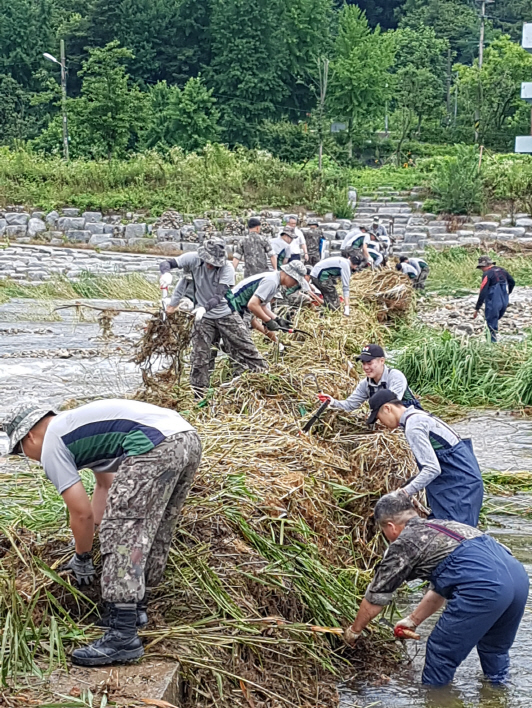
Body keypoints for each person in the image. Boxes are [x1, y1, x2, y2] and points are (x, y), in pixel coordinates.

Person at [1, 400, 202, 667]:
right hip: (184, 437)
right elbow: (103, 489)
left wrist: (82, 556)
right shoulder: (77, 428)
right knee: (155, 527)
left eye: (22, 451)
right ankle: (135, 610)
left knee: (121, 532)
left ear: (30, 436)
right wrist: (93, 533)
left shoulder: (51, 444)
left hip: (155, 444)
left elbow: (81, 514)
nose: (29, 457)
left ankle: (122, 637)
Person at [342, 492, 529, 688]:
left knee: (440, 652)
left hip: (484, 587)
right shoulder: (446, 526)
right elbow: (444, 585)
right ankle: (497, 697)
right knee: (494, 649)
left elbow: (375, 598)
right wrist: (413, 620)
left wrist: (354, 631)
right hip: (518, 578)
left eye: (383, 531)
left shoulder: (405, 543)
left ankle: (438, 707)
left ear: (390, 526)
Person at [160, 239, 267, 399]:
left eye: (214, 264)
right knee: (200, 357)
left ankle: (265, 378)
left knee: (246, 347)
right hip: (203, 318)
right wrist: (166, 273)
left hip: (225, 313)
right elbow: (167, 263)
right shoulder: (192, 259)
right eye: (209, 262)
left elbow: (220, 294)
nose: (211, 266)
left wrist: (204, 308)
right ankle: (200, 396)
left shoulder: (227, 268)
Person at [366, 389, 484, 527]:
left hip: (458, 490)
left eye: (379, 417)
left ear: (387, 408)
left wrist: (405, 493)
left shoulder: (413, 427)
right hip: (463, 482)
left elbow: (432, 469)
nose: (381, 423)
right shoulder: (419, 415)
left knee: (455, 539)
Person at [317, 343, 421, 412]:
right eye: (363, 363)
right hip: (388, 424)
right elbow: (349, 405)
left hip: (411, 418)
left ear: (382, 361)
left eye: (369, 363)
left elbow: (392, 408)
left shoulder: (395, 376)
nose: (366, 367)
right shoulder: (365, 384)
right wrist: (332, 402)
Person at [228, 261, 310, 339]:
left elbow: (262, 306)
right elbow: (252, 305)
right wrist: (268, 321)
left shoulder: (275, 281)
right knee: (244, 343)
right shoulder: (271, 281)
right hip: (234, 306)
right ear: (288, 275)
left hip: (239, 307)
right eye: (296, 281)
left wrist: (277, 319)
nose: (295, 285)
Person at [473, 255, 515, 343]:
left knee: (490, 322)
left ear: (484, 266)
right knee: (496, 318)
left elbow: (483, 291)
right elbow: (512, 282)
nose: (481, 270)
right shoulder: (502, 270)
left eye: (481, 268)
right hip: (504, 300)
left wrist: (477, 308)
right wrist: (508, 293)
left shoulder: (487, 274)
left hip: (493, 300)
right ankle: (495, 339)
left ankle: (492, 343)